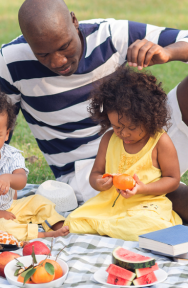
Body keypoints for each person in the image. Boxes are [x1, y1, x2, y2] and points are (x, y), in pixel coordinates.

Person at [0, 0, 188, 221]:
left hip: (145, 139)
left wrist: (169, 52)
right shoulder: (9, 62)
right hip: (90, 173)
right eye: (43, 54)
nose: (58, 61)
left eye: (64, 47)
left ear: (74, 21)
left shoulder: (111, 36)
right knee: (164, 198)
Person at [63, 66, 181, 241]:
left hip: (145, 205)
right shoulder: (109, 139)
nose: (124, 133)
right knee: (71, 221)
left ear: (148, 118)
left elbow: (173, 180)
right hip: (109, 204)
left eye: (131, 128)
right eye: (117, 127)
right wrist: (99, 183)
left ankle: (107, 228)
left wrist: (143, 188)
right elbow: (95, 174)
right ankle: (112, 227)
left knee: (149, 225)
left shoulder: (159, 141)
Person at [0, 87, 69, 241]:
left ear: (7, 133)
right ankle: (40, 234)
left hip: (10, 207)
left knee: (39, 201)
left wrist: (8, 178)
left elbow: (21, 181)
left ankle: (58, 225)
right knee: (2, 228)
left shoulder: (12, 154)